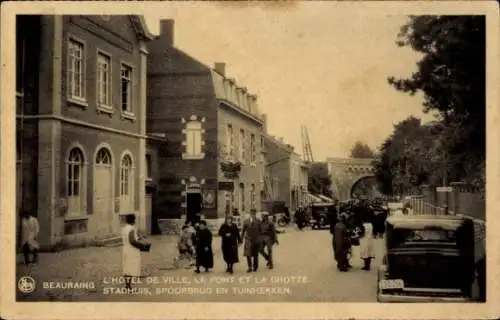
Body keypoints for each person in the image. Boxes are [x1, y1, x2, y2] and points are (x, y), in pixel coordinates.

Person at [122, 214, 150, 289]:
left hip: (125, 249)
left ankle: (127, 285)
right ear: (133, 220)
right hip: (132, 250)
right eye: (134, 219)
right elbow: (132, 241)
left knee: (127, 268)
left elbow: (135, 239)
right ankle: (129, 286)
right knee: (131, 267)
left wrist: (141, 239)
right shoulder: (131, 229)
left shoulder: (124, 228)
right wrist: (142, 246)